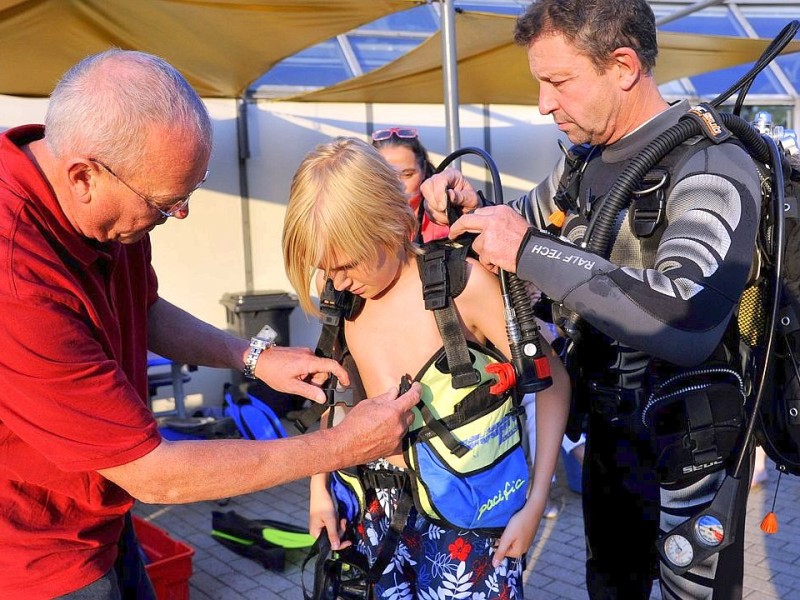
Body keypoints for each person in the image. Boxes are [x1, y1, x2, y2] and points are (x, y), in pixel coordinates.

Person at [0, 49, 422, 599]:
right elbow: (156, 473)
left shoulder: (103, 198)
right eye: (165, 204)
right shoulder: (16, 277)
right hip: (36, 556)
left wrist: (253, 357)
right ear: (84, 176)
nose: (179, 216)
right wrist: (343, 446)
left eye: (186, 196)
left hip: (100, 516)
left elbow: (144, 307)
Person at [421, 1, 762, 599]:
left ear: (624, 65)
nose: (544, 103)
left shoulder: (712, 161)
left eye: (558, 81)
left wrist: (524, 248)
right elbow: (525, 235)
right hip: (607, 444)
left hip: (694, 455)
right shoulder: (580, 165)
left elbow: (687, 317)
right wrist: (474, 211)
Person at [282, 137, 570, 598]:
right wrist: (320, 489)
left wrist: (536, 502)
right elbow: (335, 396)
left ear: (393, 223)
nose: (336, 282)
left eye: (346, 265)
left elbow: (552, 383)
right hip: (372, 511)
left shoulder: (462, 287)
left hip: (468, 522)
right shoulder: (343, 295)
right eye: (325, 270)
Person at [371, 126, 449, 242]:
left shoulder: (443, 217)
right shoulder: (360, 223)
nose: (398, 184)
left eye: (407, 174)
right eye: (386, 175)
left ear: (423, 170)